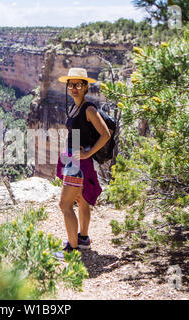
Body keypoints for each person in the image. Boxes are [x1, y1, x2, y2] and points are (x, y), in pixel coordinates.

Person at [54, 68, 111, 259]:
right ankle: (83, 239)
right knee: (82, 200)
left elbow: (105, 135)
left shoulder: (89, 109)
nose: (74, 88)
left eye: (78, 85)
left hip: (77, 162)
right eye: (71, 84)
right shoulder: (74, 107)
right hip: (74, 158)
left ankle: (72, 248)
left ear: (86, 86)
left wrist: (88, 153)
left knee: (65, 205)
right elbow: (77, 134)